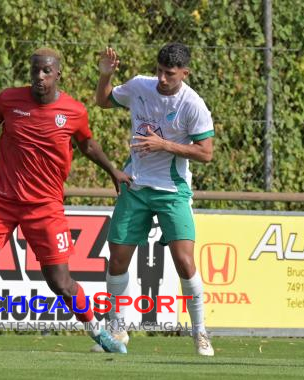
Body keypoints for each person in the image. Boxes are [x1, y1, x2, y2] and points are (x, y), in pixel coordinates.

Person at [0, 47, 131, 353]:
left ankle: (98, 332)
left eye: (45, 71)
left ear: (58, 74)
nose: (39, 77)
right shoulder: (8, 100)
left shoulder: (73, 111)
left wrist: (113, 170)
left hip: (45, 206)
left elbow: (87, 144)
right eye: (34, 71)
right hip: (1, 200)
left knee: (60, 283)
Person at [93, 43, 215, 356]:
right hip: (135, 185)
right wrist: (105, 76)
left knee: (185, 263)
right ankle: (117, 330)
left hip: (173, 191)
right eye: (159, 70)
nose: (162, 78)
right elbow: (104, 101)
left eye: (169, 74)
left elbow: (206, 152)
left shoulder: (193, 104)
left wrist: (164, 144)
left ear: (184, 73)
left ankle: (200, 332)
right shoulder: (139, 86)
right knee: (118, 257)